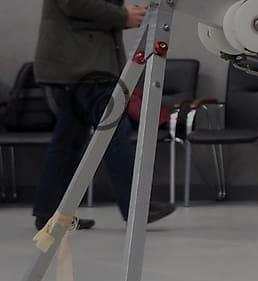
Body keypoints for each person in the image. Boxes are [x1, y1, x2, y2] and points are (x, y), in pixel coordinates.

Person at [32, 0, 175, 231]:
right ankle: (138, 208)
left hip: (75, 64)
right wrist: (122, 16)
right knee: (113, 132)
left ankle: (50, 213)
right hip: (85, 66)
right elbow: (75, 4)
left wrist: (124, 15)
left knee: (68, 142)